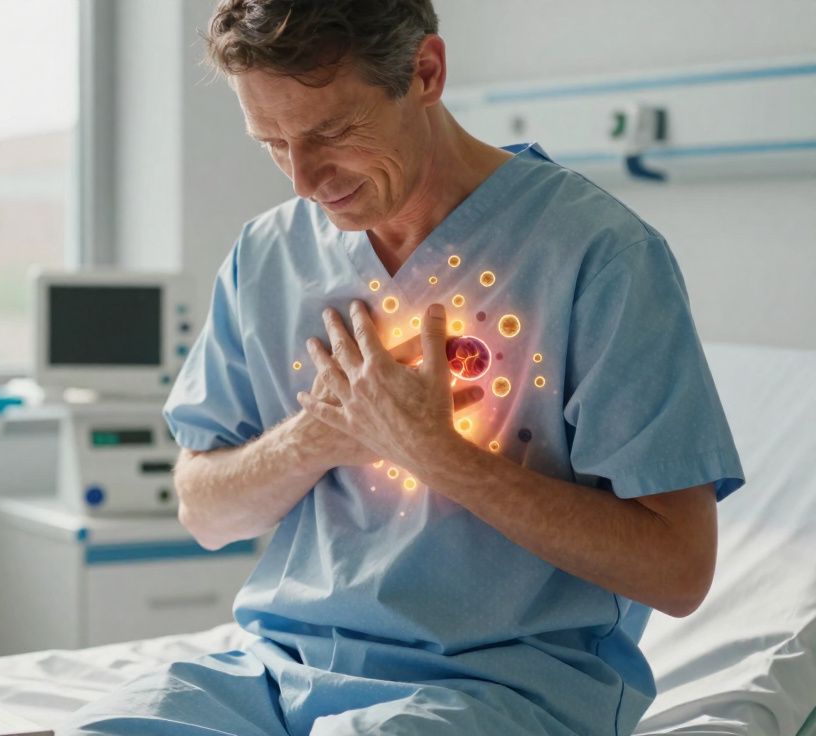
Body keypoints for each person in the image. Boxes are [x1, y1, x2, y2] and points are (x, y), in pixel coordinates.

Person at [64, 1, 744, 734]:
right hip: (280, 672)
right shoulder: (268, 255)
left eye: (331, 133)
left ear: (426, 72)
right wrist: (317, 437)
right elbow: (202, 510)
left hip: (496, 688)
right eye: (273, 143)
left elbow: (679, 570)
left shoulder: (598, 256)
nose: (304, 180)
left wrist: (437, 454)